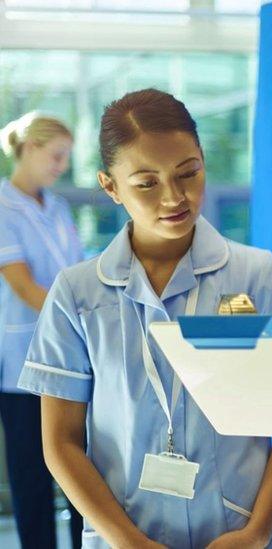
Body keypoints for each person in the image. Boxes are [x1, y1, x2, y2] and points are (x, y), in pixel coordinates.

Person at [17, 89, 272, 549]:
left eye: (188, 173)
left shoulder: (254, 276)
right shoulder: (78, 293)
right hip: (124, 535)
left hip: (239, 536)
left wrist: (256, 533)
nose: (175, 197)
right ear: (110, 186)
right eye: (147, 182)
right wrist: (129, 542)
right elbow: (61, 442)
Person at [0, 112, 85, 549]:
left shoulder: (57, 206)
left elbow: (75, 273)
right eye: (56, 155)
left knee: (78, 473)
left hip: (68, 355)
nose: (61, 166)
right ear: (29, 148)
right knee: (31, 476)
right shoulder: (2, 205)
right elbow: (21, 282)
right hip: (21, 356)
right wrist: (74, 320)